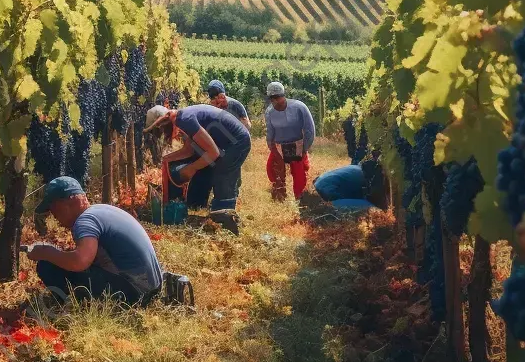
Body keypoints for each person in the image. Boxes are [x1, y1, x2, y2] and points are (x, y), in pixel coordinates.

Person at [24, 176, 163, 306]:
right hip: (152, 287)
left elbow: (80, 261)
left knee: (47, 266)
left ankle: (68, 303)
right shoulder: (101, 210)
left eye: (52, 207)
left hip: (134, 293)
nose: (53, 215)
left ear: (67, 202)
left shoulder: (85, 222)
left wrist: (47, 253)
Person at [144, 101, 251, 233]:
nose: (161, 130)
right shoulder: (183, 118)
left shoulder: (185, 119)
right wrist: (167, 159)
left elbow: (213, 152)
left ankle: (226, 227)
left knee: (222, 177)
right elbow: (189, 150)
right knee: (219, 173)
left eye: (160, 126)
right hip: (230, 141)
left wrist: (192, 168)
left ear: (165, 119)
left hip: (238, 141)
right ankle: (221, 222)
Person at [264, 81, 315, 201]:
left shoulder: (299, 107)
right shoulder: (269, 112)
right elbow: (270, 132)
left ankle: (300, 199)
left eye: (278, 98)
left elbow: (309, 129)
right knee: (272, 170)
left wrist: (304, 149)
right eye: (272, 99)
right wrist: (272, 148)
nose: (276, 101)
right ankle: (279, 196)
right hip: (279, 146)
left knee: (299, 174)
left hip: (296, 145)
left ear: (283, 96)